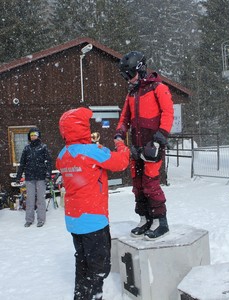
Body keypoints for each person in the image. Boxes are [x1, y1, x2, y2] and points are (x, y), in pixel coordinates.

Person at [56, 107, 129, 300]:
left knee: (82, 262)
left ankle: (81, 296)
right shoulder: (91, 152)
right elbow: (120, 163)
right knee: (98, 269)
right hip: (93, 219)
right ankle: (94, 296)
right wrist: (121, 145)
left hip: (74, 220)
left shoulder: (63, 155)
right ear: (82, 129)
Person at [115, 51, 174, 240]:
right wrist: (119, 134)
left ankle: (160, 221)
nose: (128, 80)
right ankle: (144, 218)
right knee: (138, 185)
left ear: (139, 70)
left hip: (152, 144)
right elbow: (125, 117)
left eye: (129, 75)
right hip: (137, 145)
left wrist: (159, 138)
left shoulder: (158, 88)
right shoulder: (131, 94)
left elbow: (168, 113)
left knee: (151, 184)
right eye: (125, 76)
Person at [16, 127, 52, 227]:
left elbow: (49, 162)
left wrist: (48, 174)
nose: (33, 136)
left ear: (38, 135)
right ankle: (29, 219)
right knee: (30, 200)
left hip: (41, 177)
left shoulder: (43, 147)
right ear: (29, 137)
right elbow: (22, 163)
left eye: (35, 134)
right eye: (31, 135)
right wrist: (18, 176)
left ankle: (41, 219)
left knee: (40, 199)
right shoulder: (26, 148)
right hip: (29, 177)